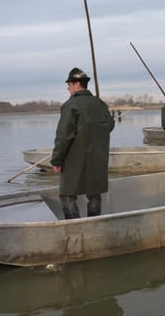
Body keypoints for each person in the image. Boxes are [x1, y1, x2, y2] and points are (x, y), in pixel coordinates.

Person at [50, 67, 115, 219]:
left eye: (70, 84)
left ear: (77, 84)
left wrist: (56, 160)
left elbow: (64, 136)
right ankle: (93, 224)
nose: (68, 87)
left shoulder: (70, 105)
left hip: (75, 160)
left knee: (67, 195)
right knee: (94, 194)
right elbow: (109, 126)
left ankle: (75, 228)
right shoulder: (100, 104)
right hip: (98, 158)